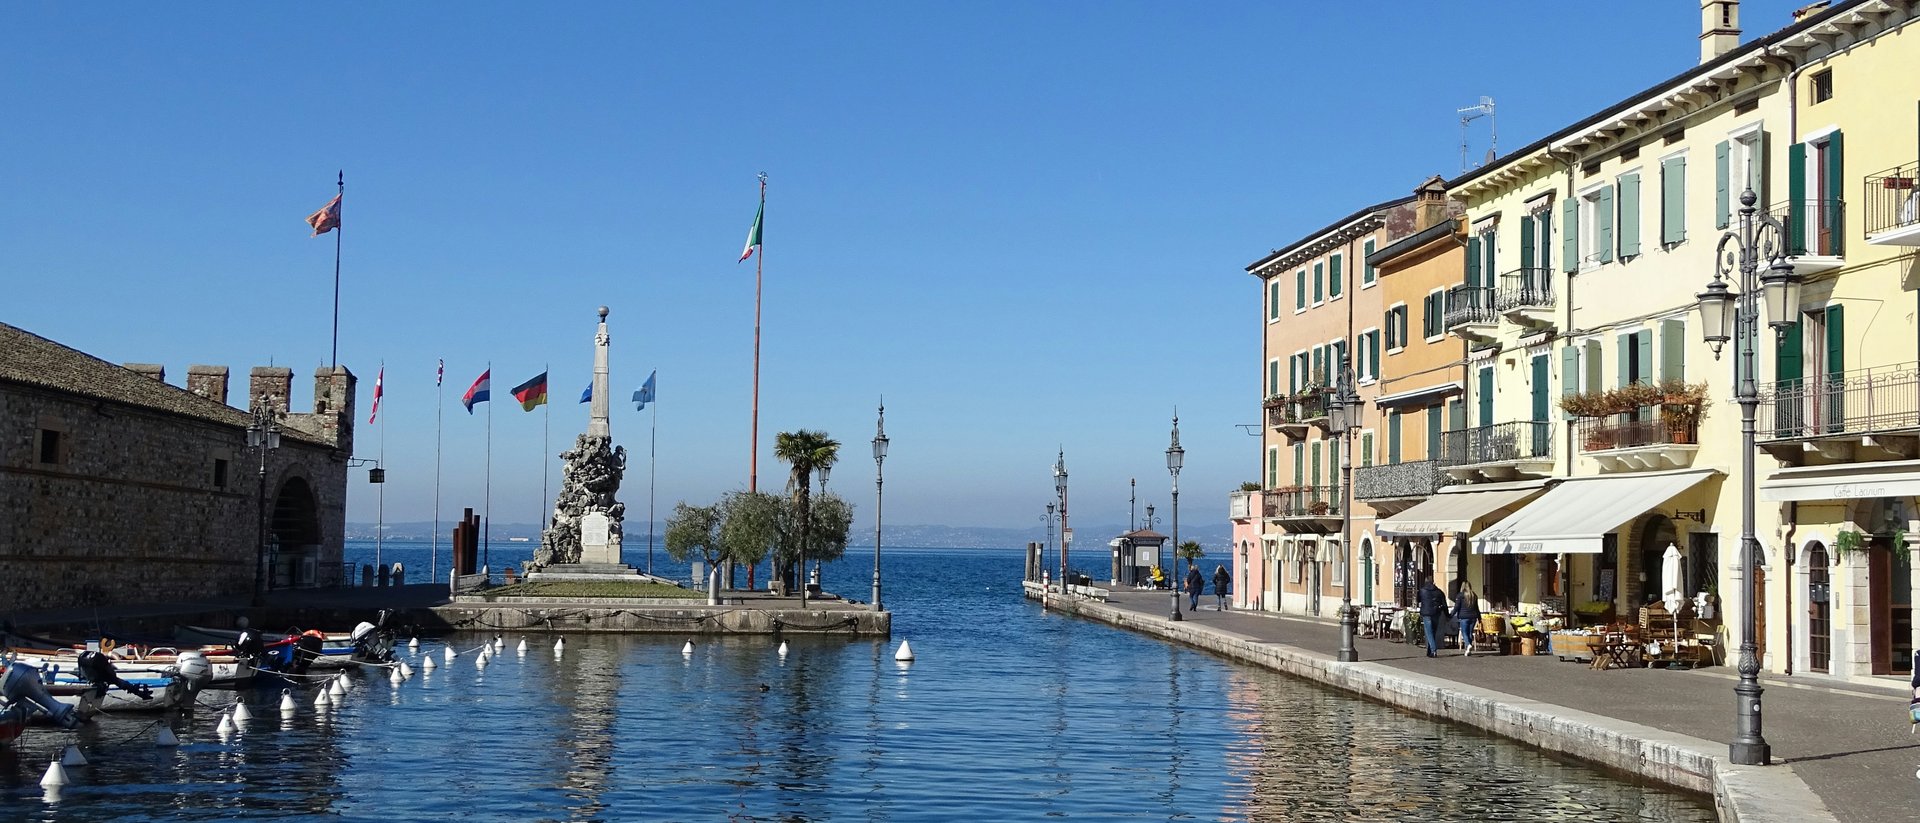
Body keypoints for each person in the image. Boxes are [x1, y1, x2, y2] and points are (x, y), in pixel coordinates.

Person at [1416, 574, 1449, 658]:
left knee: (1429, 632)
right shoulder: (1439, 591)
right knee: (1433, 632)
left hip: (1426, 613)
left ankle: (1433, 650)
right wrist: (1447, 614)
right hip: (1436, 613)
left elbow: (1417, 600)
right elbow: (1444, 604)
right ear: (1433, 582)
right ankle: (1429, 651)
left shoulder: (1422, 591)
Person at [1453, 581, 1482, 657]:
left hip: (1464, 617)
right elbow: (1477, 608)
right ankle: (1468, 650)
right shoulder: (1474, 595)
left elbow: (1456, 607)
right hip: (1473, 617)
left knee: (1464, 633)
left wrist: (1450, 615)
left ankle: (1468, 645)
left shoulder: (1460, 596)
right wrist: (1479, 618)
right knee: (1469, 632)